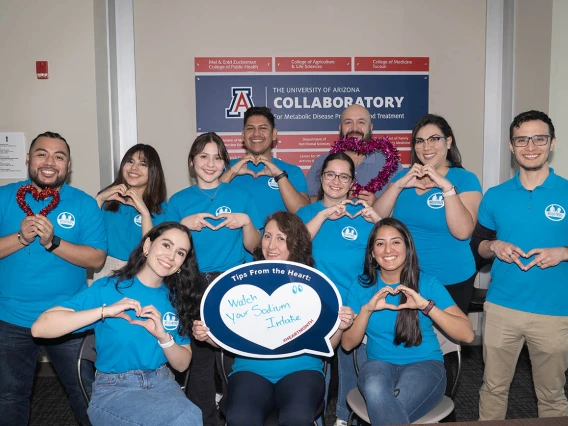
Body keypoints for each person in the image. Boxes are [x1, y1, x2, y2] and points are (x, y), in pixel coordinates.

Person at [31, 222, 203, 426]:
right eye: (166, 245)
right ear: (147, 246)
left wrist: (164, 337)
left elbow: (182, 364)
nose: (171, 256)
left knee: (190, 415)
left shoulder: (177, 299)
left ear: (182, 263)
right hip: (114, 390)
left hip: (163, 384)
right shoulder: (109, 288)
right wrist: (104, 311)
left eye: (180, 253)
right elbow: (39, 328)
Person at [193, 211, 354, 426]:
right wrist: (207, 336)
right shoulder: (242, 281)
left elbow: (327, 345)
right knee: (241, 418)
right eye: (267, 236)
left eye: (281, 238)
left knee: (296, 418)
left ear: (296, 243)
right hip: (250, 370)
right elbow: (228, 340)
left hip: (302, 369)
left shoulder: (316, 285)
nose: (271, 245)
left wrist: (341, 327)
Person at [0, 131, 107, 425]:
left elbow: (96, 258)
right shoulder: (3, 197)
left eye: (59, 156)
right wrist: (21, 237)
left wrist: (52, 243)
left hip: (69, 315)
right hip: (10, 317)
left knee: (85, 392)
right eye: (41, 154)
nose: (50, 162)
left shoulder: (84, 203)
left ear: (68, 165)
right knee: (10, 397)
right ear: (27, 160)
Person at [472, 110, 568, 420]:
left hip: (555, 312)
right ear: (512, 147)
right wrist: (494, 245)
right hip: (502, 308)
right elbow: (478, 247)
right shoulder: (495, 196)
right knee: (493, 388)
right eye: (521, 140)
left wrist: (563, 252)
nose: (530, 146)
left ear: (551, 143)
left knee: (552, 394)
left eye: (538, 138)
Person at [168, 131, 262, 426]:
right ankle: (204, 420)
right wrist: (182, 225)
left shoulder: (241, 196)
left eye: (217, 157)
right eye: (203, 156)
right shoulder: (179, 201)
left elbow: (254, 245)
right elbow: (163, 246)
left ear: (225, 163)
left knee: (235, 359)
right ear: (192, 162)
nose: (210, 163)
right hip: (192, 284)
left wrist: (245, 222)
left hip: (232, 283)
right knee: (199, 361)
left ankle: (240, 417)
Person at [342, 218, 474, 425]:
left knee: (392, 406)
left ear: (407, 248)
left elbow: (467, 334)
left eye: (395, 242)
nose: (388, 250)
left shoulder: (428, 283)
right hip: (378, 364)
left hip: (425, 365)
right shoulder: (361, 286)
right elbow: (348, 344)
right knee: (376, 390)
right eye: (380, 243)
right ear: (372, 254)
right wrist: (367, 310)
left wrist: (426, 306)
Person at [297, 152, 380, 425]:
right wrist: (322, 216)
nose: (336, 181)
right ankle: (315, 419)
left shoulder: (362, 216)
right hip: (315, 307)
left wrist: (378, 221)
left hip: (355, 306)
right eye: (330, 174)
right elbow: (294, 250)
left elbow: (392, 251)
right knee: (314, 372)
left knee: (353, 368)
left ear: (352, 182)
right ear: (321, 177)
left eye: (344, 176)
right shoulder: (306, 214)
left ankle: (346, 419)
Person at [373, 114, 482, 314]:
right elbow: (377, 219)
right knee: (410, 339)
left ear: (448, 142)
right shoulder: (404, 178)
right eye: (420, 141)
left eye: (434, 139)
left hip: (450, 279)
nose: (426, 147)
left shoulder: (465, 179)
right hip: (407, 278)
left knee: (445, 343)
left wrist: (446, 188)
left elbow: (463, 232)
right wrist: (397, 186)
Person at [221, 106, 309, 219]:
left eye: (263, 128)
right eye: (250, 128)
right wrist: (231, 172)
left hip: (278, 237)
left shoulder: (292, 171)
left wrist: (279, 175)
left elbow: (303, 213)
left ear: (274, 134)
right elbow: (208, 202)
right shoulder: (225, 168)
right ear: (243, 135)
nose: (256, 133)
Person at [95, 144, 168, 277]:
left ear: (153, 171)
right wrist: (99, 199)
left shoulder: (160, 207)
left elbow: (152, 250)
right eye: (130, 161)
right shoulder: (107, 196)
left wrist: (145, 213)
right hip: (105, 268)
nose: (134, 168)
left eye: (143, 164)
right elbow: (86, 235)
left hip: (141, 269)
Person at [307, 104, 403, 205]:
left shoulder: (390, 164)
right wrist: (335, 198)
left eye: (361, 122)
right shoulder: (321, 162)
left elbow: (402, 205)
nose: (354, 128)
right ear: (340, 128)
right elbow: (308, 203)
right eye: (348, 122)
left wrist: (378, 205)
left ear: (370, 128)